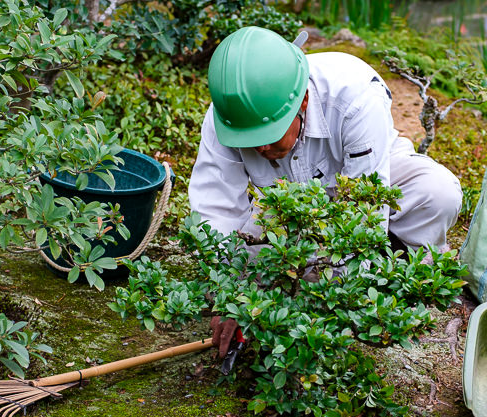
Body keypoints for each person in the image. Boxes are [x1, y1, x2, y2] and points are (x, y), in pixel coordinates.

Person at [189, 26, 463, 356]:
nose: (260, 148)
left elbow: (366, 210)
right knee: (250, 270)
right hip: (284, 208)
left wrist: (339, 302)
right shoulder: (229, 119)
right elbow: (215, 208)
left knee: (438, 193)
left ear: (303, 101)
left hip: (372, 181)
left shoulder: (354, 96)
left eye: (270, 135)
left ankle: (401, 267)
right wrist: (229, 296)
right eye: (250, 140)